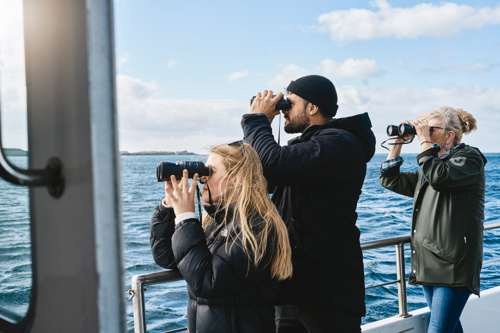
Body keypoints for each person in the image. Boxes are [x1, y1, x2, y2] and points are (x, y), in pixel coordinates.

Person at [241, 75, 376, 332]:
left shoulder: (339, 143)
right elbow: (261, 175)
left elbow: (274, 165)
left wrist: (256, 120)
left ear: (312, 108)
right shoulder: (308, 146)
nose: (284, 109)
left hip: (328, 289)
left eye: (289, 103)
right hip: (292, 284)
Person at [150, 142, 293, 333]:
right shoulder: (216, 221)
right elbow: (168, 257)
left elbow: (207, 282)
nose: (202, 178)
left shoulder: (258, 228)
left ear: (237, 179)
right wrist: (170, 206)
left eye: (211, 171)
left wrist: (186, 218)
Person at [380, 107, 486, 333]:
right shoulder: (430, 168)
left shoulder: (469, 158)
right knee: (449, 327)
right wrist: (398, 142)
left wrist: (424, 145)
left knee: (438, 329)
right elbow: (391, 180)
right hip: (428, 260)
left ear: (449, 136)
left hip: (454, 263)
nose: (424, 135)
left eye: (430, 130)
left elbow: (440, 178)